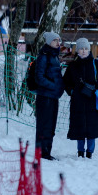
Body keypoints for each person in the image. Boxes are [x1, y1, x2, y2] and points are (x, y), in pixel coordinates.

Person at [63, 38, 98, 159]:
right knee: (79, 128)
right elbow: (66, 82)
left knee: (92, 129)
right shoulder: (72, 66)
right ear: (77, 50)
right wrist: (72, 91)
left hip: (92, 101)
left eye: (85, 49)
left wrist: (96, 86)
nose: (83, 51)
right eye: (81, 48)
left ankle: (90, 152)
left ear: (89, 50)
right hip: (77, 102)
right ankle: (80, 152)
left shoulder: (96, 64)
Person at [33, 31, 65, 161]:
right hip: (45, 97)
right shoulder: (44, 56)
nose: (58, 43)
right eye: (55, 41)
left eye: (59, 40)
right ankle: (42, 152)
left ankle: (47, 151)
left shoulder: (55, 56)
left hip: (53, 97)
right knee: (44, 125)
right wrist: (54, 86)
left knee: (51, 125)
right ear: (49, 42)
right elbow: (39, 77)